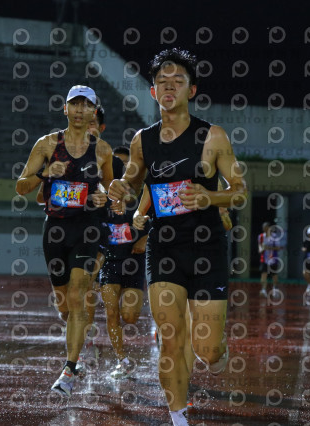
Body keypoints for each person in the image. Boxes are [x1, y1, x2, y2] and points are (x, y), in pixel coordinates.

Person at [108, 48, 247, 426]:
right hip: (164, 247)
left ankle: (217, 352)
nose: (169, 88)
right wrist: (121, 189)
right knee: (171, 338)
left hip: (207, 248)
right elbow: (132, 180)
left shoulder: (212, 137)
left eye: (178, 82)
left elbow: (239, 191)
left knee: (206, 348)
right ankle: (178, 417)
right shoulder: (143, 140)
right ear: (153, 92)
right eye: (162, 83)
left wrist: (209, 197)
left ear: (192, 90)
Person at [15, 85, 113, 397]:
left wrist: (104, 197)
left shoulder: (103, 150)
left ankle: (69, 369)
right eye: (75, 104)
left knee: (78, 292)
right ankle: (78, 340)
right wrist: (45, 173)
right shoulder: (46, 144)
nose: (81, 110)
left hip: (87, 227)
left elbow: (113, 191)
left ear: (94, 110)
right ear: (65, 108)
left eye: (87, 105)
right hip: (55, 231)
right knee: (65, 306)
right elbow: (21, 187)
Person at [99, 146, 149, 379]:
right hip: (110, 261)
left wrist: (145, 239)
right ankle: (122, 360)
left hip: (133, 261)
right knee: (111, 314)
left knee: (129, 316)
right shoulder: (100, 198)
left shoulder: (138, 195)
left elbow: (153, 220)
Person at [258, 222, 284, 297]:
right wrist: (262, 249)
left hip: (273, 259)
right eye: (264, 229)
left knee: (274, 275)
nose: (265, 230)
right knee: (263, 274)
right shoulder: (260, 236)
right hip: (264, 259)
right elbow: (259, 249)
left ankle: (275, 289)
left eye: (266, 228)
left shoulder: (274, 236)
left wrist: (268, 247)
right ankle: (263, 290)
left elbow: (278, 248)